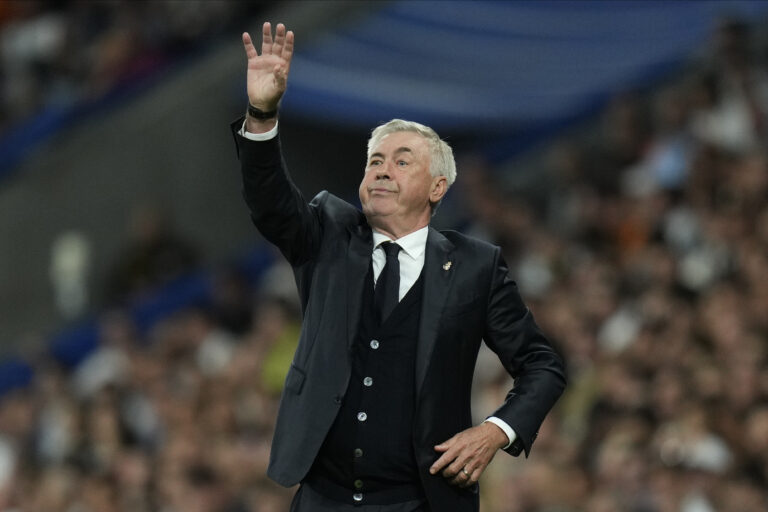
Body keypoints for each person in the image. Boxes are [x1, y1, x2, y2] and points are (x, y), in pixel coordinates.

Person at [230, 22, 566, 512]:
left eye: (402, 161)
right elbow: (270, 204)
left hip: (419, 501)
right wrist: (262, 113)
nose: (382, 169)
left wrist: (496, 431)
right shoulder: (327, 233)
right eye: (375, 161)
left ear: (438, 188)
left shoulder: (475, 266)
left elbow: (542, 366)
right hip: (324, 498)